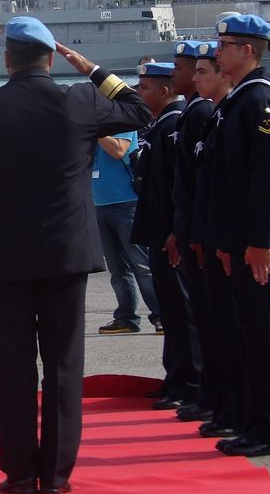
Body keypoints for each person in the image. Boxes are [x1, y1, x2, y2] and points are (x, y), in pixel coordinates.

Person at [0, 16, 150, 494]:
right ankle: (55, 476)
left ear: (8, 60)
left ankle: (18, 471)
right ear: (52, 59)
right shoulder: (80, 101)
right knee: (62, 365)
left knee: (12, 366)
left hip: (5, 256)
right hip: (67, 254)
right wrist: (92, 68)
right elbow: (139, 110)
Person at [207, 13, 270, 458]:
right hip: (242, 240)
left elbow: (269, 178)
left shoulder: (260, 101)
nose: (217, 52)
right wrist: (228, 240)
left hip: (256, 244)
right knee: (248, 333)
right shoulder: (239, 100)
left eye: (224, 46)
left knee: (262, 334)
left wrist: (260, 240)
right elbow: (230, 183)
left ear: (248, 51)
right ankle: (254, 421)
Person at [130, 61, 200, 411]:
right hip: (158, 232)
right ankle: (175, 377)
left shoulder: (174, 125)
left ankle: (189, 382)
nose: (139, 94)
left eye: (144, 88)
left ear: (165, 90)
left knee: (181, 309)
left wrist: (175, 231)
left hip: (170, 235)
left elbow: (180, 187)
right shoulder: (158, 125)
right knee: (170, 310)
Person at [189, 41, 242, 441]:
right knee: (213, 326)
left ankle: (246, 414)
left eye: (201, 70)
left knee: (240, 332)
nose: (193, 78)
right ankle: (220, 402)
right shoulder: (217, 115)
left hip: (235, 243)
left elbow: (257, 182)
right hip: (208, 236)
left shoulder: (245, 109)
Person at [169, 41, 215, 423]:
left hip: (197, 231)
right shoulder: (190, 113)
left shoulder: (200, 113)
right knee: (187, 309)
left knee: (198, 314)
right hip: (183, 227)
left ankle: (201, 386)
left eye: (194, 69)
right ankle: (188, 382)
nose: (181, 75)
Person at [92, 130, 162, 334]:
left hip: (127, 204)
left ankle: (162, 315)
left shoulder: (119, 123)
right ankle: (126, 317)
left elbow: (119, 150)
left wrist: (96, 129)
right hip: (100, 203)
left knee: (142, 265)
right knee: (117, 268)